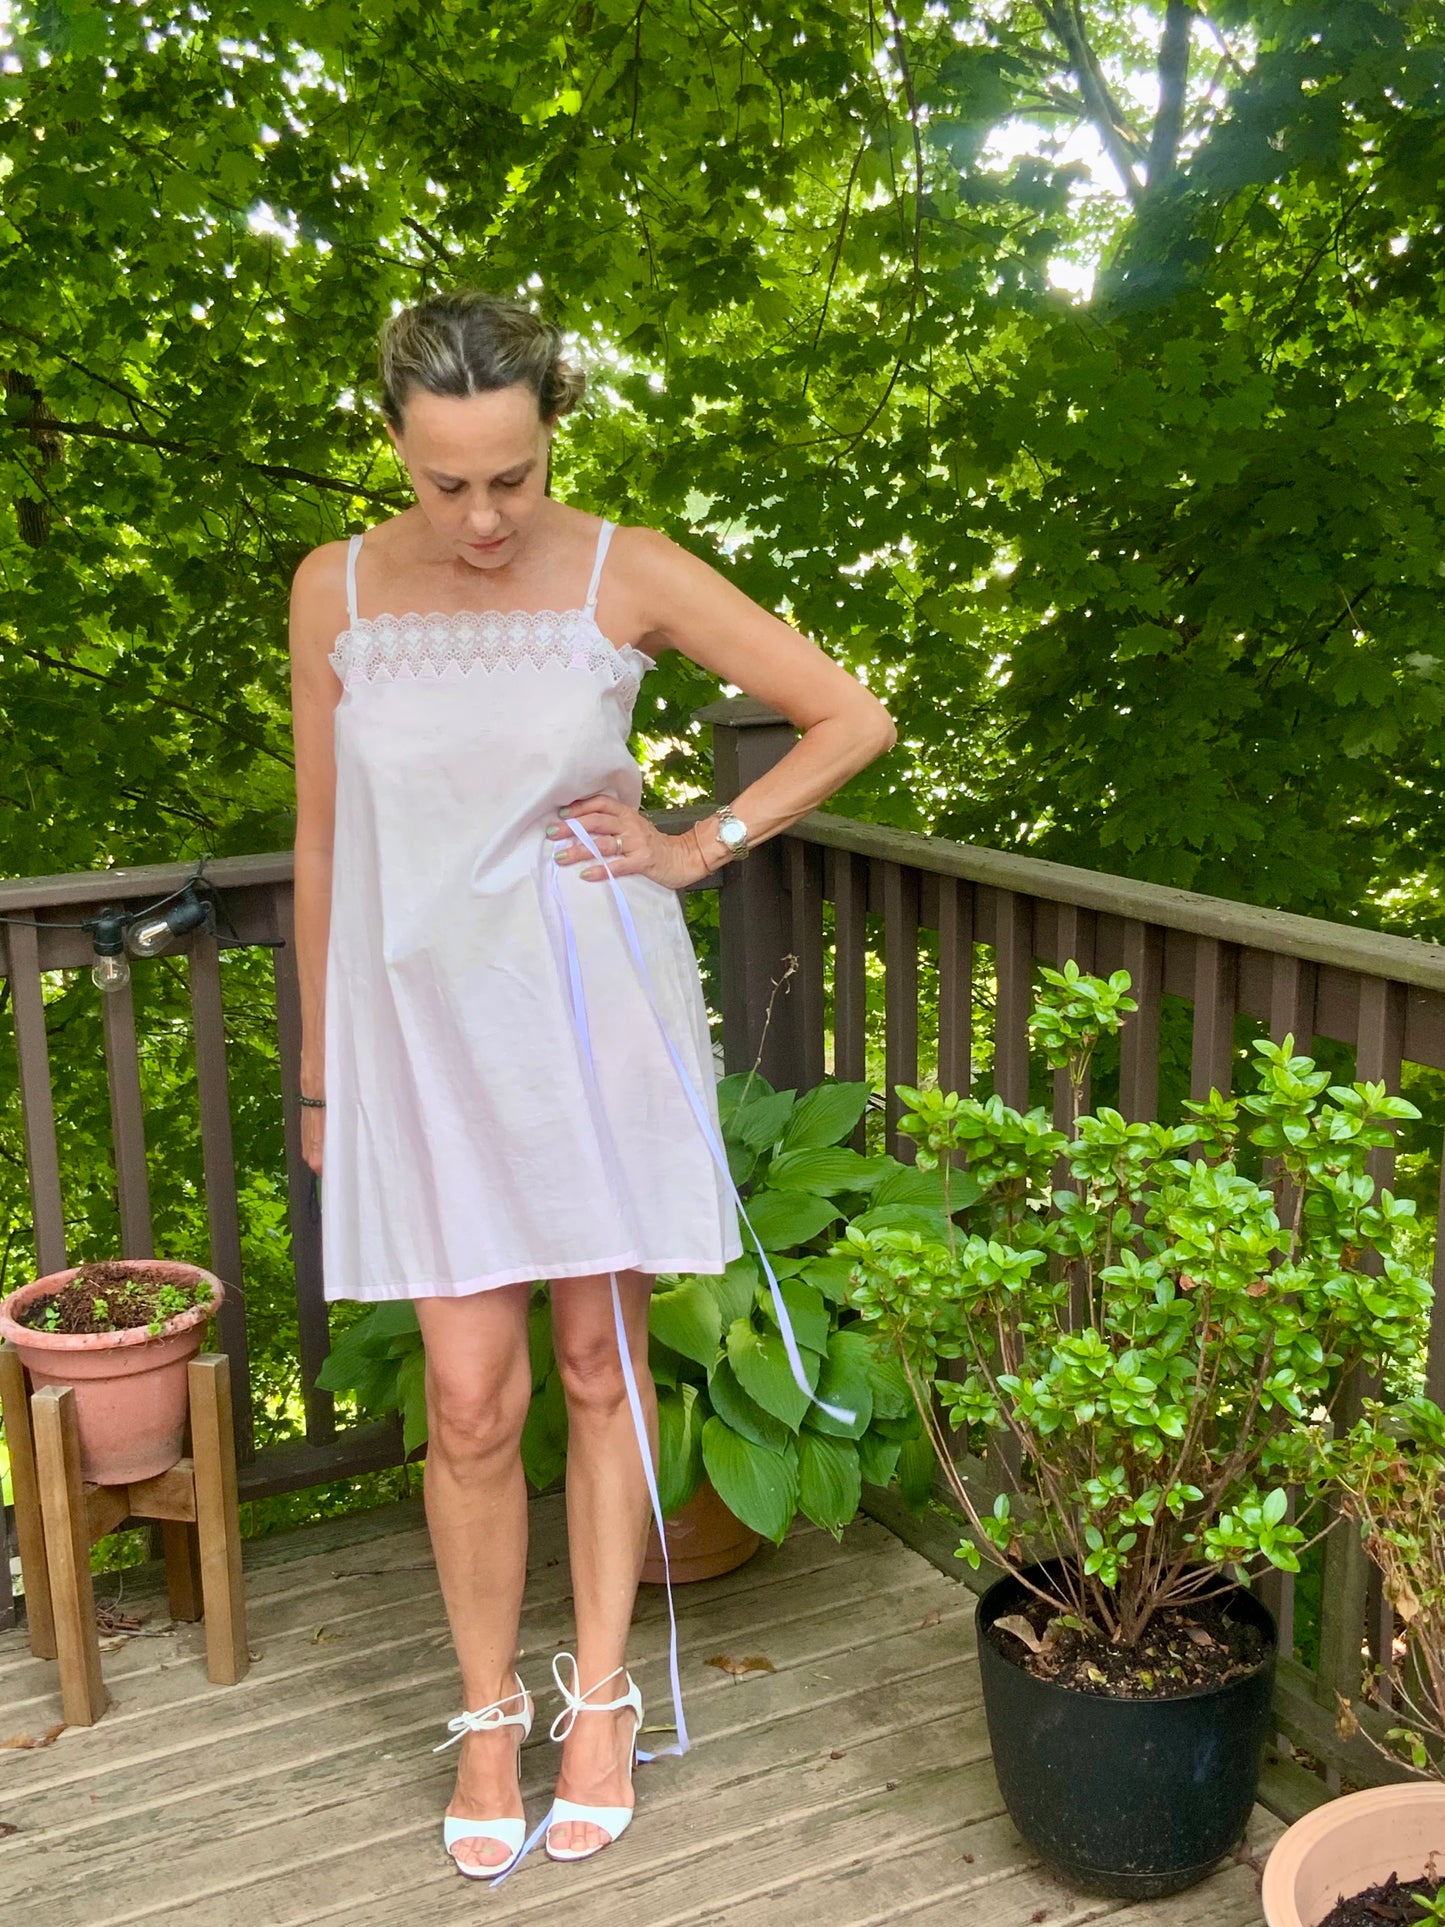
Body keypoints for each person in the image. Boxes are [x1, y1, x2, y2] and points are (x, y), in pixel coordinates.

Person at [286, 288, 895, 1883]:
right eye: (447, 483)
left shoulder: (629, 568)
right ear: (398, 455)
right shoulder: (333, 590)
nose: (484, 517)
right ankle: (487, 1715)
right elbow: (322, 837)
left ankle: (604, 1700)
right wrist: (315, 1069)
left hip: (585, 1007)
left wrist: (701, 844)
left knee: (592, 1367)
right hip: (416, 1034)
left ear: (552, 433)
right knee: (468, 1402)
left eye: (514, 476)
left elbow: (850, 715)